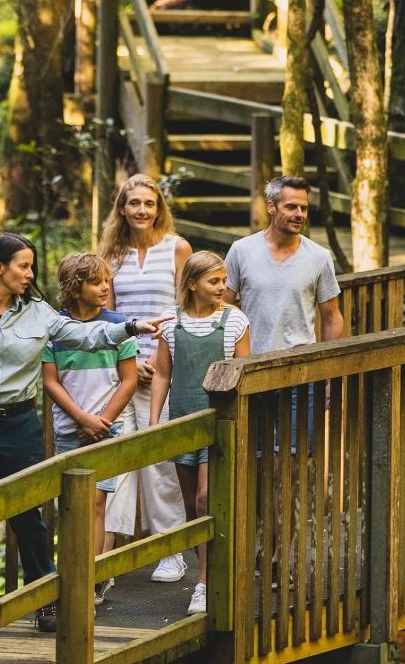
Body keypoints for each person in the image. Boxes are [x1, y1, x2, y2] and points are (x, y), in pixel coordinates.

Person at [0, 232, 168, 629]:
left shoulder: (38, 311)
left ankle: (45, 600)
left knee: (28, 515)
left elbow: (84, 334)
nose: (30, 274)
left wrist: (131, 327)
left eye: (32, 267)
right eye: (23, 266)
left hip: (19, 423)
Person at [98, 174, 194, 585]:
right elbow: (109, 318)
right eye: (134, 203)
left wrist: (159, 358)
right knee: (116, 463)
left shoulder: (177, 248)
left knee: (160, 462)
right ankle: (106, 560)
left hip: (165, 369)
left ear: (159, 208)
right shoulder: (110, 255)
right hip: (122, 372)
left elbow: (185, 308)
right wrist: (129, 364)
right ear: (122, 207)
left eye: (149, 204)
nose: (141, 210)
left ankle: (171, 551)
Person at [149, 252, 250, 615]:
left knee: (208, 499)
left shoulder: (235, 322)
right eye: (214, 281)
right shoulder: (172, 324)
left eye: (223, 280)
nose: (223, 287)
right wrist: (154, 422)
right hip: (182, 421)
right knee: (192, 506)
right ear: (192, 284)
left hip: (218, 423)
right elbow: (162, 374)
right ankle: (213, 571)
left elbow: (244, 372)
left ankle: (204, 583)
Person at [41, 254, 140, 606]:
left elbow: (129, 379)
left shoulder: (119, 325)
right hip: (71, 427)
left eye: (106, 281)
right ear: (74, 287)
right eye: (96, 282)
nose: (105, 287)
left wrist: (102, 422)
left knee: (97, 501)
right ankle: (71, 572)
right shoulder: (54, 329)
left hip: (107, 427)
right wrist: (82, 418)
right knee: (72, 503)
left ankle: (93, 576)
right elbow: (51, 382)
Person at [224, 175, 346, 351]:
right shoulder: (241, 250)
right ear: (271, 207)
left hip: (301, 366)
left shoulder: (320, 256)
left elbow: (332, 318)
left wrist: (330, 371)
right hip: (250, 363)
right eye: (291, 207)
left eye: (303, 208)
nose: (299, 214)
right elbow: (220, 308)